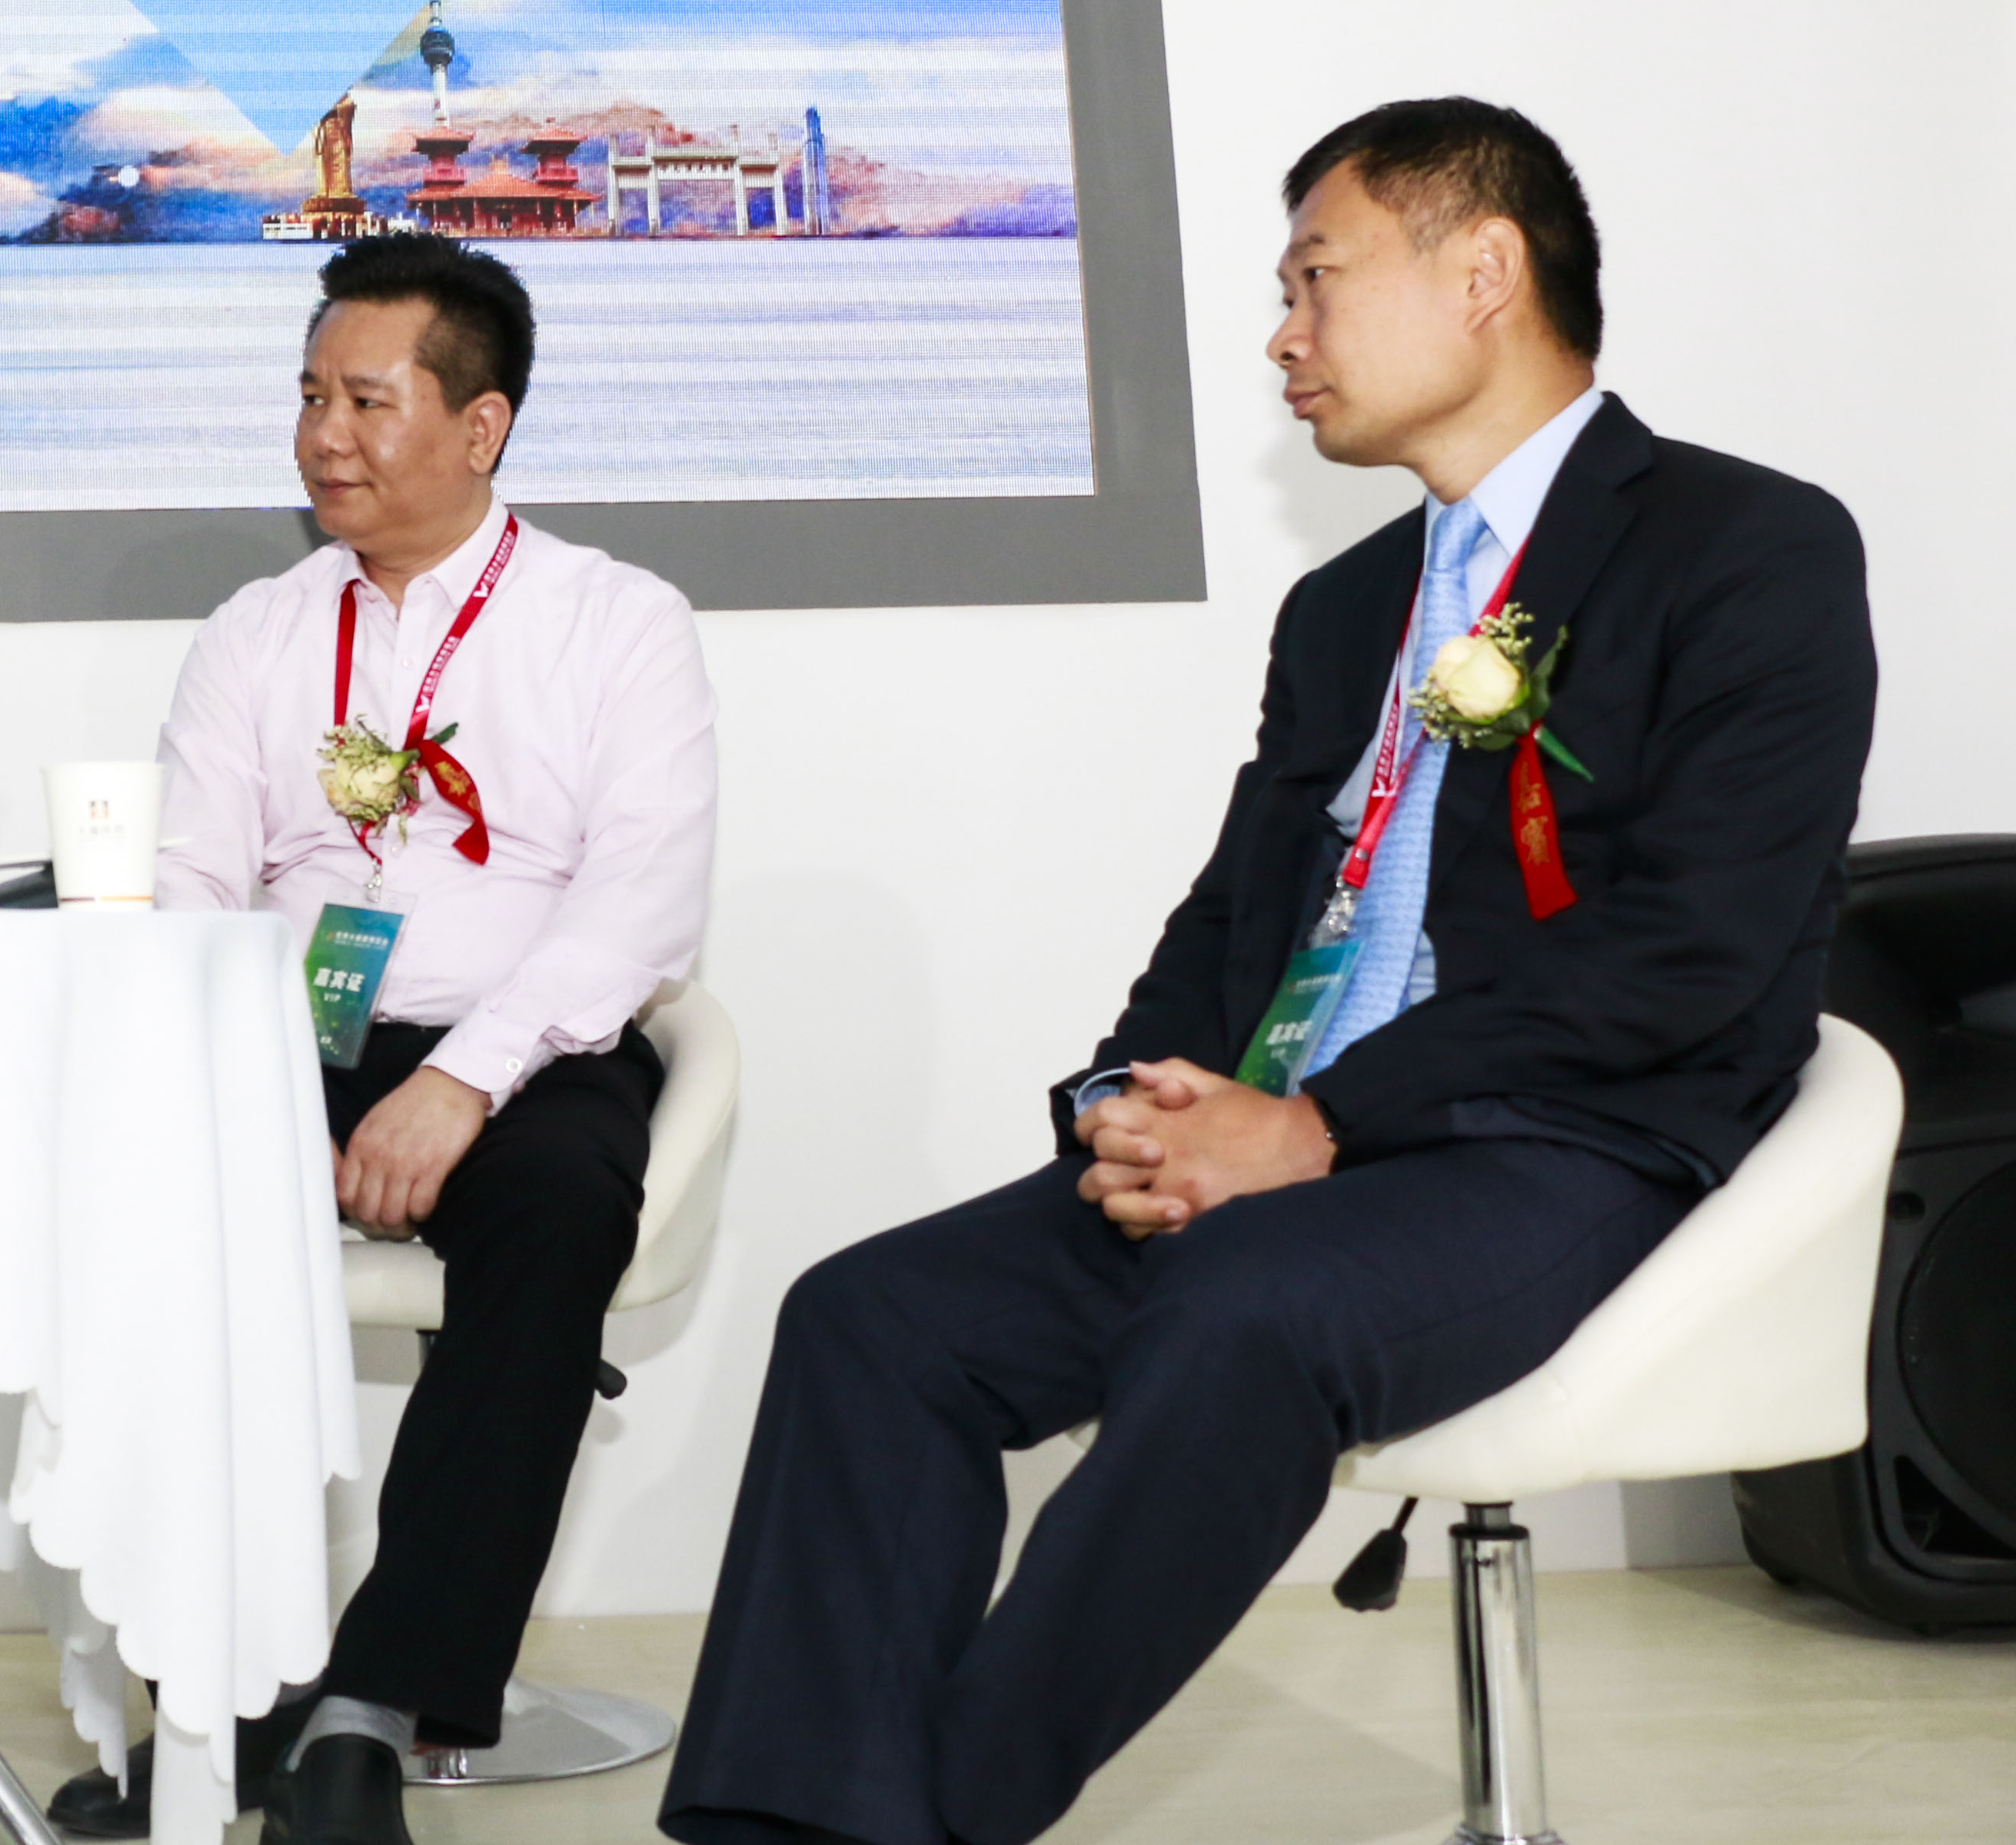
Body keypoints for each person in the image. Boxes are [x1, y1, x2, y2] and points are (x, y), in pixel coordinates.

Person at [661, 99, 1876, 1845]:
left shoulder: (1748, 545)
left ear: (1484, 270)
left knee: (1244, 1306)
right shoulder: (1351, 605)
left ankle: (941, 1815)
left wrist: (1319, 1127)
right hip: (1302, 1141)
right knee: (875, 1319)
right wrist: (1130, 1106)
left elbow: (1699, 950)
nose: (1281, 335)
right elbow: (1236, 914)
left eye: (1317, 278)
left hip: (1562, 1141)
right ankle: (793, 1829)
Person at [86, 234, 715, 1845]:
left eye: (367, 401)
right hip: (288, 1036)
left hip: (531, 1049)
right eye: (310, 397)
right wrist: (230, 1071)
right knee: (133, 1206)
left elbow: (640, 901)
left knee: (559, 1208)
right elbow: (193, 879)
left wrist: (459, 1081)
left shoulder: (616, 621)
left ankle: (368, 1714)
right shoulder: (259, 629)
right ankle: (210, 1702)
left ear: (480, 425)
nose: (324, 436)